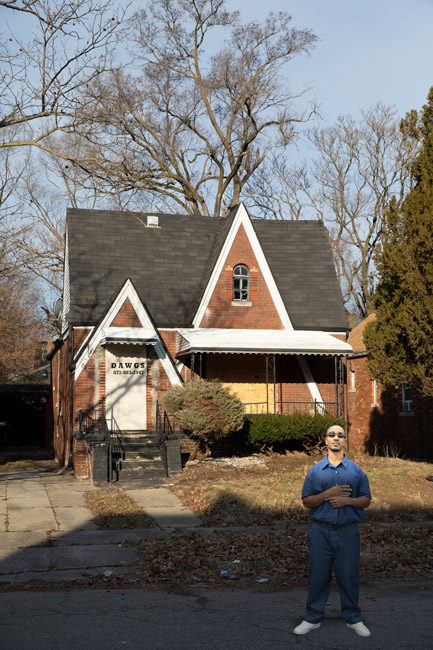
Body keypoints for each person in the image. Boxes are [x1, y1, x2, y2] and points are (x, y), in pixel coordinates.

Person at [293, 424, 371, 638]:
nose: (336, 438)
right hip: (320, 531)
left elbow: (366, 500)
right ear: (325, 441)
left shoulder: (356, 471)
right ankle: (312, 618)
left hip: (347, 532)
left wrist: (347, 500)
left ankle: (353, 618)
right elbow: (307, 501)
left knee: (349, 576)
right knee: (318, 575)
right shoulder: (316, 471)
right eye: (331, 435)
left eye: (340, 435)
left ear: (345, 441)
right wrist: (327, 494)